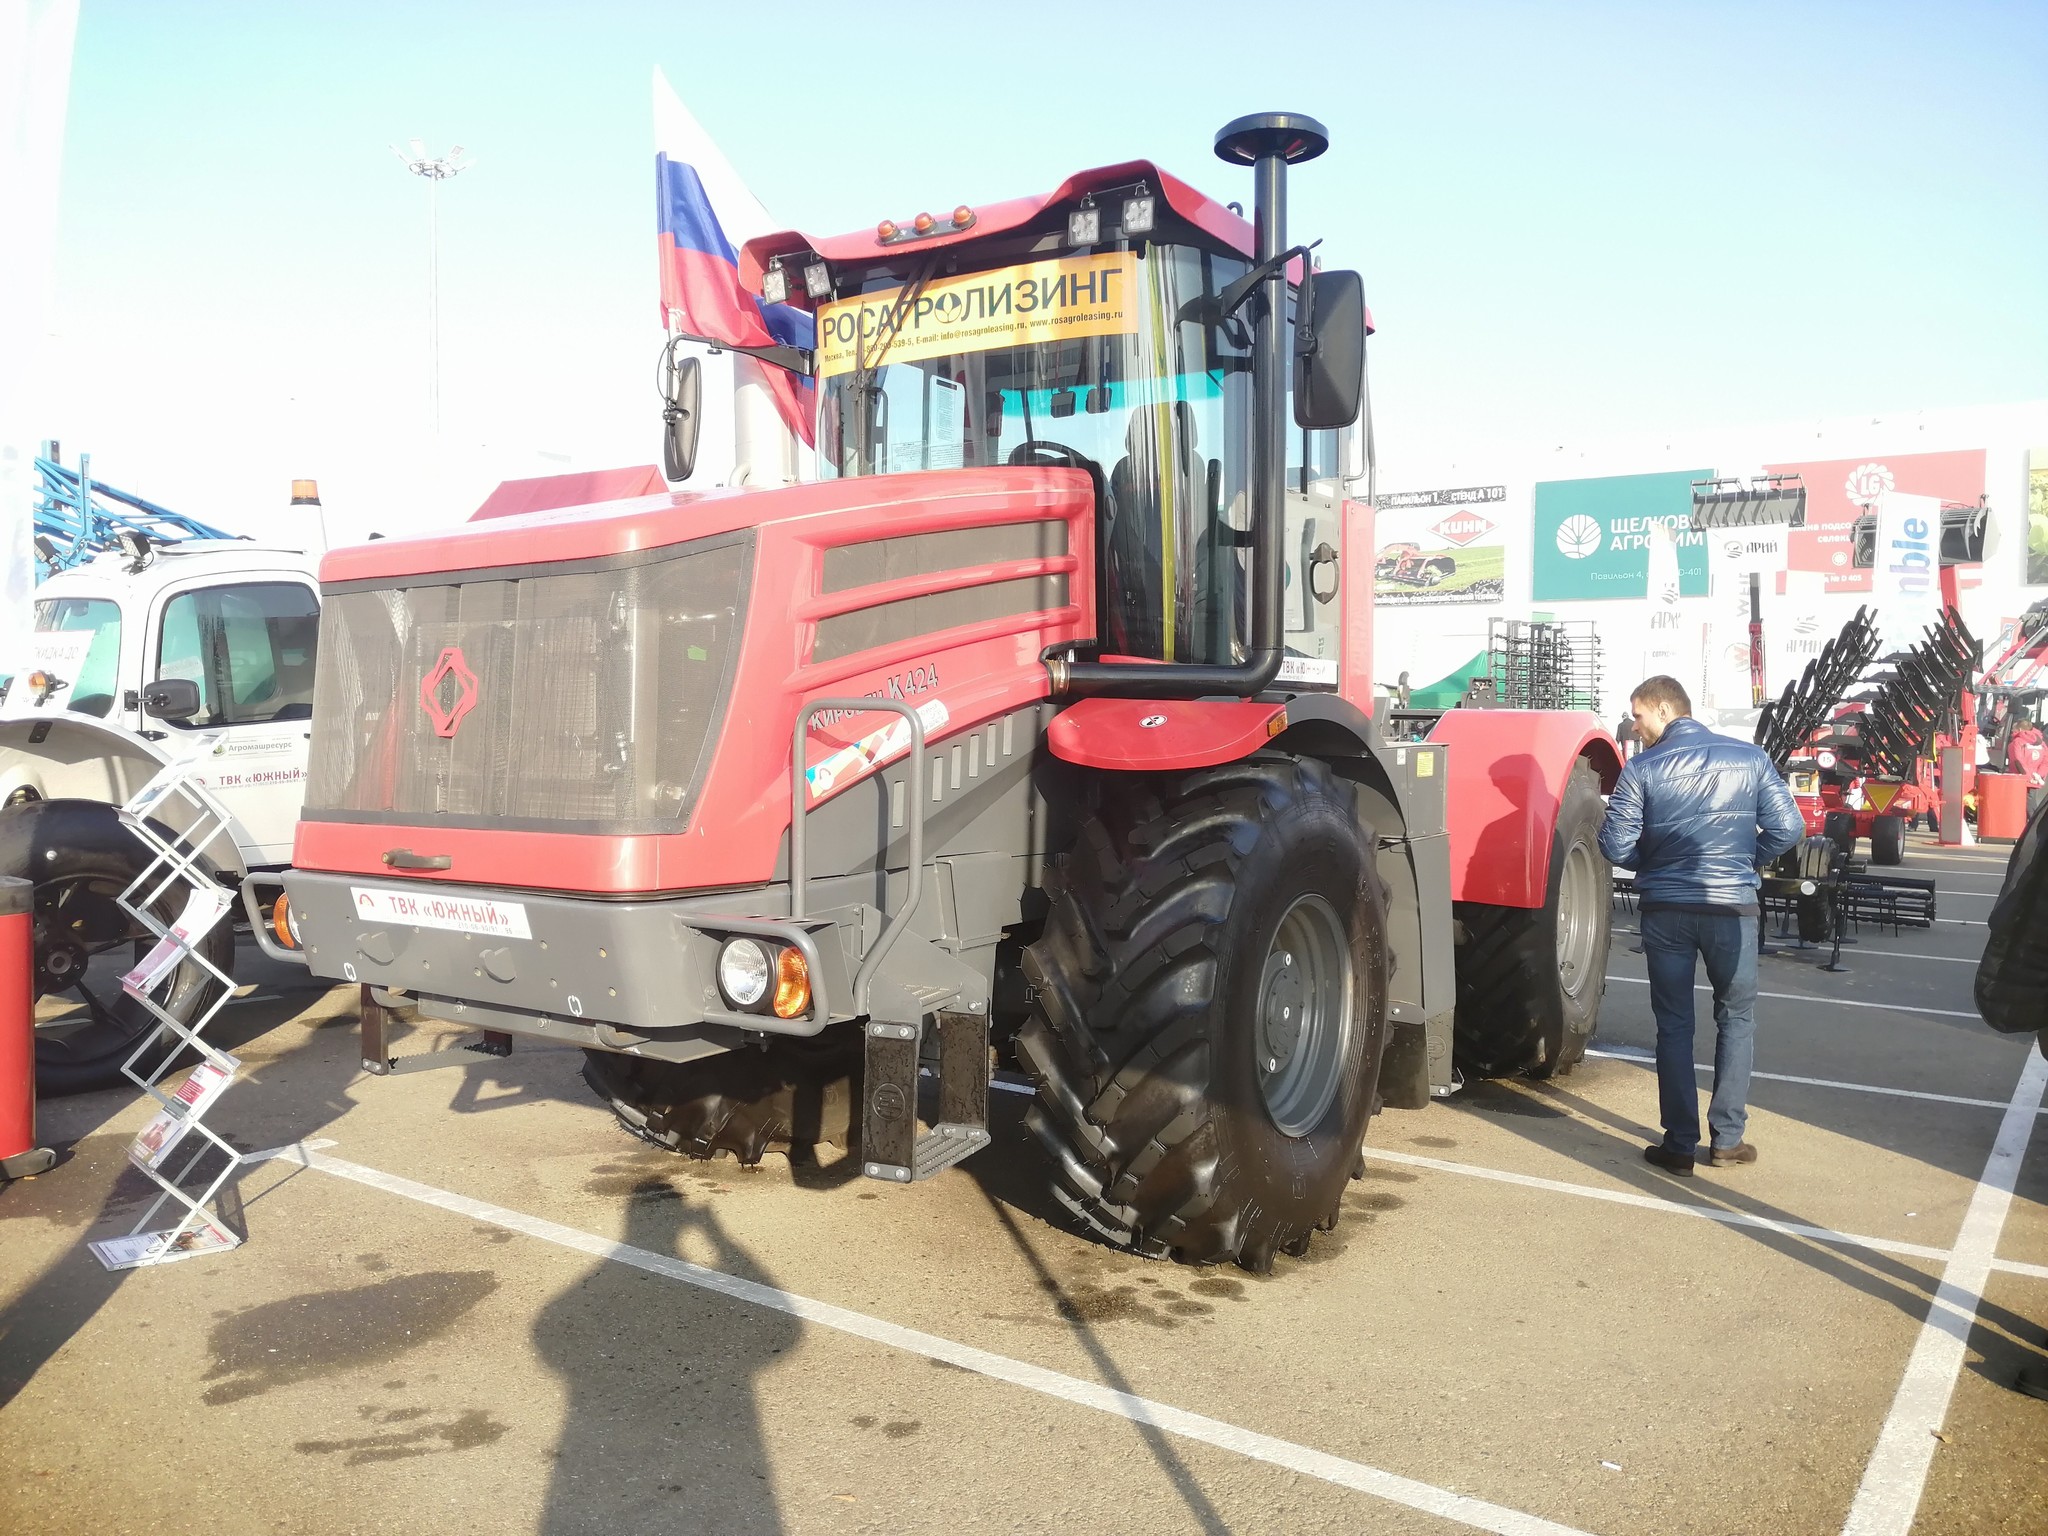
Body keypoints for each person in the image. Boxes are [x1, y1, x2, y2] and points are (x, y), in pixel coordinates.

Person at [1599, 675, 1804, 1175]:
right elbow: (1789, 827)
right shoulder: (1750, 758)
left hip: (1665, 910)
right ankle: (1728, 1140)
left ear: (1665, 710)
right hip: (1732, 910)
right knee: (1735, 1019)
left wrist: (1653, 866)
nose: (1635, 723)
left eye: (1639, 714)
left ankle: (1679, 1143)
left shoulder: (1642, 769)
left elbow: (1613, 845)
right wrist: (1745, 862)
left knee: (1673, 1024)